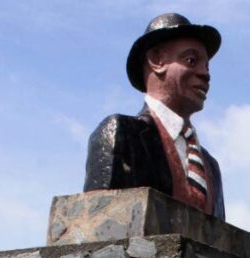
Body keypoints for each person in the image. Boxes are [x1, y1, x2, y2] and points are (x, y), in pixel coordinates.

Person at [84, 13, 226, 219]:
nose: (206, 74)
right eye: (191, 60)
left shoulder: (211, 167)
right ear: (156, 61)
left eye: (207, 66)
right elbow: (99, 227)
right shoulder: (121, 134)